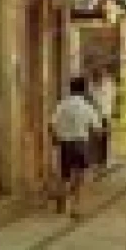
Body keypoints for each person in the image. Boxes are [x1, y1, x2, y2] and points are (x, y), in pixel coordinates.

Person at [49, 74, 105, 218]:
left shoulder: (62, 105)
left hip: (65, 143)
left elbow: (52, 123)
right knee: (80, 176)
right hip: (81, 143)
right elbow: (97, 129)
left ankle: (61, 199)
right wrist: (96, 140)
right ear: (84, 90)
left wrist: (55, 137)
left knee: (64, 174)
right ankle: (75, 208)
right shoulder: (87, 107)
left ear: (71, 89)